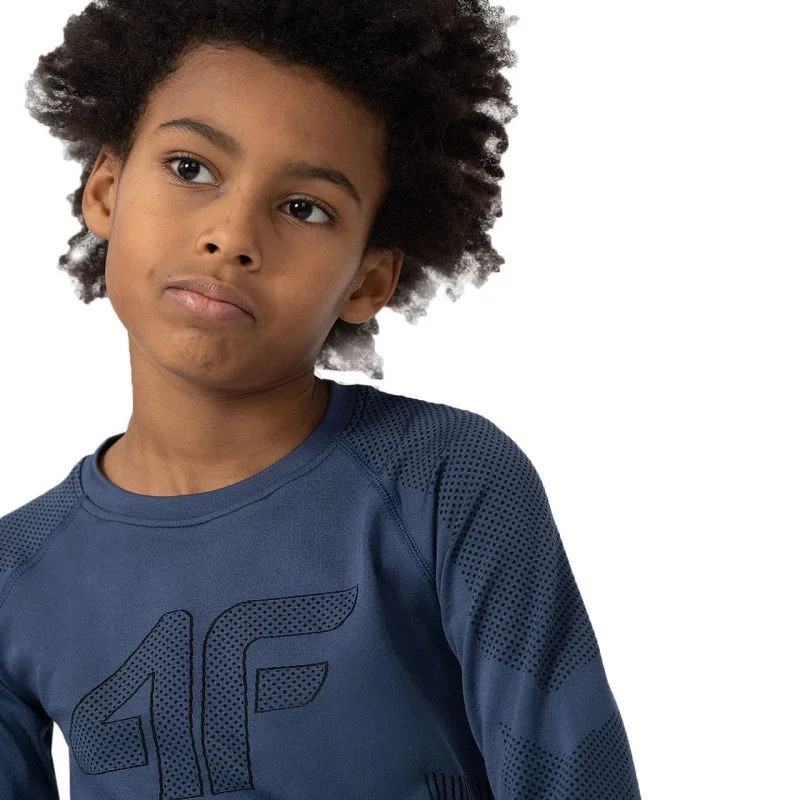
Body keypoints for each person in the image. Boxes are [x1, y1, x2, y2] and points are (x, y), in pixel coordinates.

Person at [0, 1, 641, 797]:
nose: (232, 236)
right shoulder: (16, 572)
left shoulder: (444, 483)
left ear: (368, 280)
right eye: (190, 168)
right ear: (104, 189)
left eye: (304, 208)